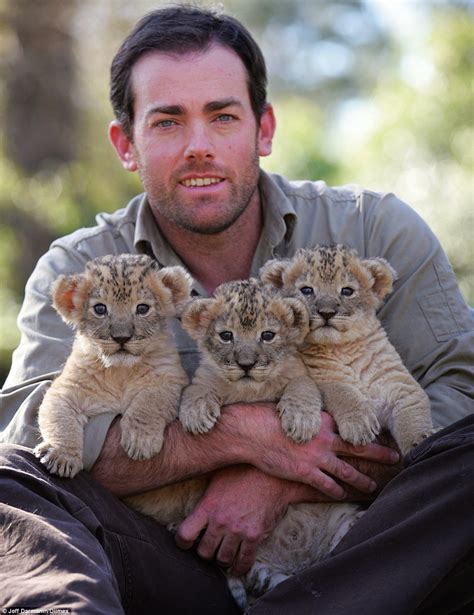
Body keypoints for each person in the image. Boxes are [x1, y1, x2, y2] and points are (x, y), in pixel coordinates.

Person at [1, 5, 473, 614]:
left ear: (264, 128)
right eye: (168, 122)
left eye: (222, 116)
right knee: (10, 482)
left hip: (356, 559)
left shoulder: (374, 230)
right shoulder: (76, 271)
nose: (200, 146)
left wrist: (278, 475)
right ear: (126, 143)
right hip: (167, 562)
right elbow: (32, 442)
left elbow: (459, 390)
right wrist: (230, 439)